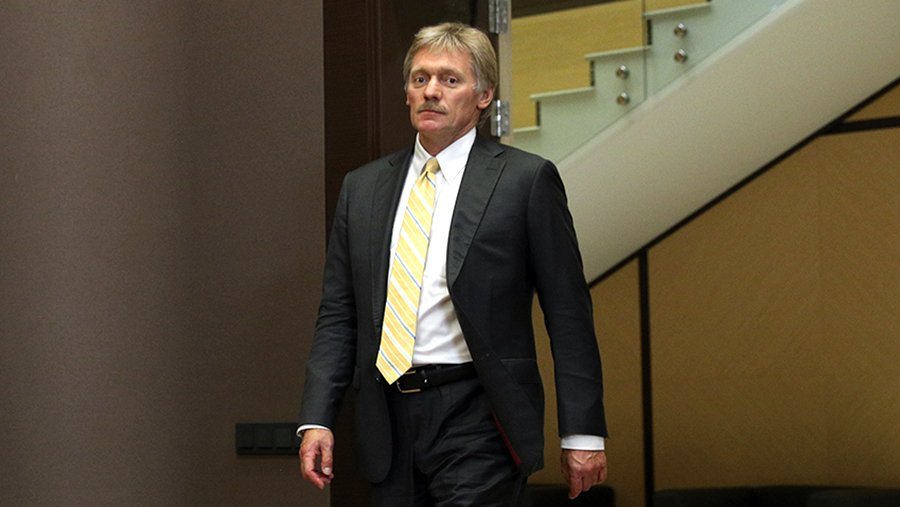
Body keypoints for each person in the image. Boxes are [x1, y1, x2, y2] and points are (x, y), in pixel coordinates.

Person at [298, 22, 608, 506]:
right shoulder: (363, 188)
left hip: (478, 415)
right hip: (387, 419)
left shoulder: (524, 181)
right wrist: (317, 417)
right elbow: (339, 313)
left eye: (449, 80)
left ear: (484, 95)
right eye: (420, 79)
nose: (431, 92)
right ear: (406, 93)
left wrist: (582, 433)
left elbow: (568, 314)